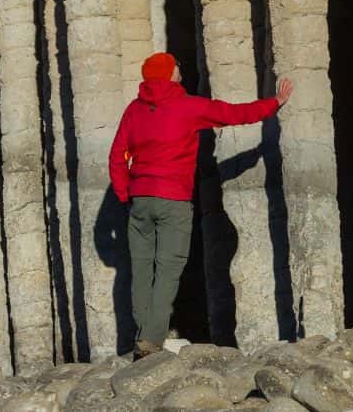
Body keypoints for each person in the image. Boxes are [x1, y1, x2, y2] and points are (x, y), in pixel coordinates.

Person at [109, 51, 293, 359]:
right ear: (169, 74)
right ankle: (150, 341)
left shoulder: (134, 110)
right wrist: (275, 102)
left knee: (141, 269)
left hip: (140, 201)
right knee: (168, 269)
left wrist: (126, 193)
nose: (180, 70)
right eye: (176, 67)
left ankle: (144, 337)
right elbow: (234, 114)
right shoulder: (188, 106)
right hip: (173, 201)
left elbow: (116, 156)